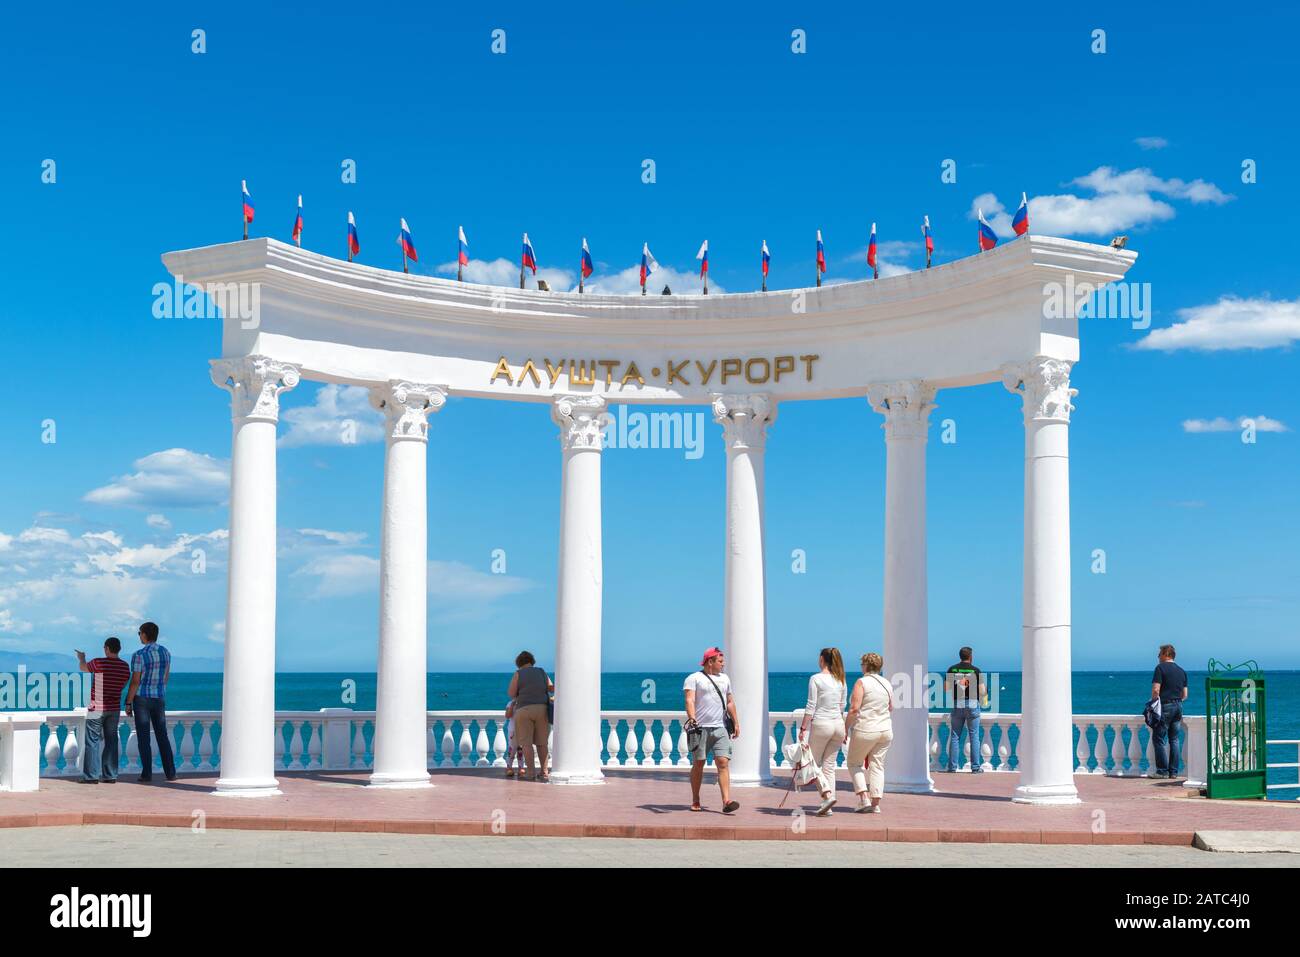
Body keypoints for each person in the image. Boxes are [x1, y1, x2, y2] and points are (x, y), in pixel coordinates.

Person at [684, 647, 740, 814]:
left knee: (723, 762)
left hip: (720, 728)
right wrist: (692, 719)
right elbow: (690, 699)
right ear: (710, 662)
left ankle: (726, 801)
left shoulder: (725, 679)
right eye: (720, 661)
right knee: (699, 764)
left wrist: (736, 722)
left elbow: (730, 702)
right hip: (700, 729)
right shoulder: (693, 678)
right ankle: (695, 798)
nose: (723, 665)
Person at [124, 621, 176, 783]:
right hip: (159, 697)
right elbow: (165, 677)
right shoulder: (165, 652)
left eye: (139, 633)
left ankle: (147, 773)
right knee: (162, 736)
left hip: (142, 699)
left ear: (145, 634)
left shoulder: (139, 655)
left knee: (144, 737)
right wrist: (159, 689)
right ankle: (171, 773)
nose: (139, 635)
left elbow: (135, 681)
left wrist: (128, 702)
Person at [75, 637, 131, 784]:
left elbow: (83, 668)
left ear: (106, 648)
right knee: (111, 741)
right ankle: (110, 775)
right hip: (113, 709)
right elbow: (123, 684)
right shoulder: (125, 667)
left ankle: (91, 776)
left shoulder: (98, 662)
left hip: (96, 708)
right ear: (119, 649)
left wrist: (82, 658)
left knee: (92, 742)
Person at [798, 647, 847, 815]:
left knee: (812, 763)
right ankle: (828, 805)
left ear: (822, 660)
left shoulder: (816, 679)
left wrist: (803, 727)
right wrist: (844, 730)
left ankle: (826, 796)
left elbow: (811, 706)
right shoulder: (841, 680)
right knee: (829, 767)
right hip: (838, 725)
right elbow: (842, 707)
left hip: (822, 724)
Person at [844, 652, 893, 813]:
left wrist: (845, 728)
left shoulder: (862, 682)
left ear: (866, 665)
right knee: (877, 766)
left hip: (866, 729)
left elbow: (854, 708)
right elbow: (890, 707)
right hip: (885, 730)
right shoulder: (887, 683)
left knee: (854, 763)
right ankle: (875, 803)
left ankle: (864, 798)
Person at [507, 651, 553, 781]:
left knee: (526, 743)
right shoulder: (541, 671)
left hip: (524, 710)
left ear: (519, 663)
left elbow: (511, 693)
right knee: (542, 743)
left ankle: (530, 773)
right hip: (542, 709)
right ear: (532, 661)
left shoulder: (518, 674)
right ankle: (544, 772)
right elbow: (551, 687)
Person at [945, 646, 989, 772]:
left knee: (955, 736)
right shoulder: (976, 670)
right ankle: (975, 767)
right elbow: (982, 691)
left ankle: (952, 767)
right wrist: (986, 691)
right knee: (974, 736)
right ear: (970, 656)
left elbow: (946, 688)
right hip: (972, 704)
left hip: (958, 703)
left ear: (960, 656)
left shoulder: (952, 669)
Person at [1150, 644, 1189, 779]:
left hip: (1165, 706)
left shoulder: (1160, 668)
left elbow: (1156, 690)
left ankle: (1162, 771)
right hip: (1178, 706)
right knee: (1174, 739)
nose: (1158, 656)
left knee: (1158, 737)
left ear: (1166, 654)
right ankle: (1173, 772)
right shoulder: (1181, 671)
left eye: (1159, 653)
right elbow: (1185, 695)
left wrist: (1153, 704)